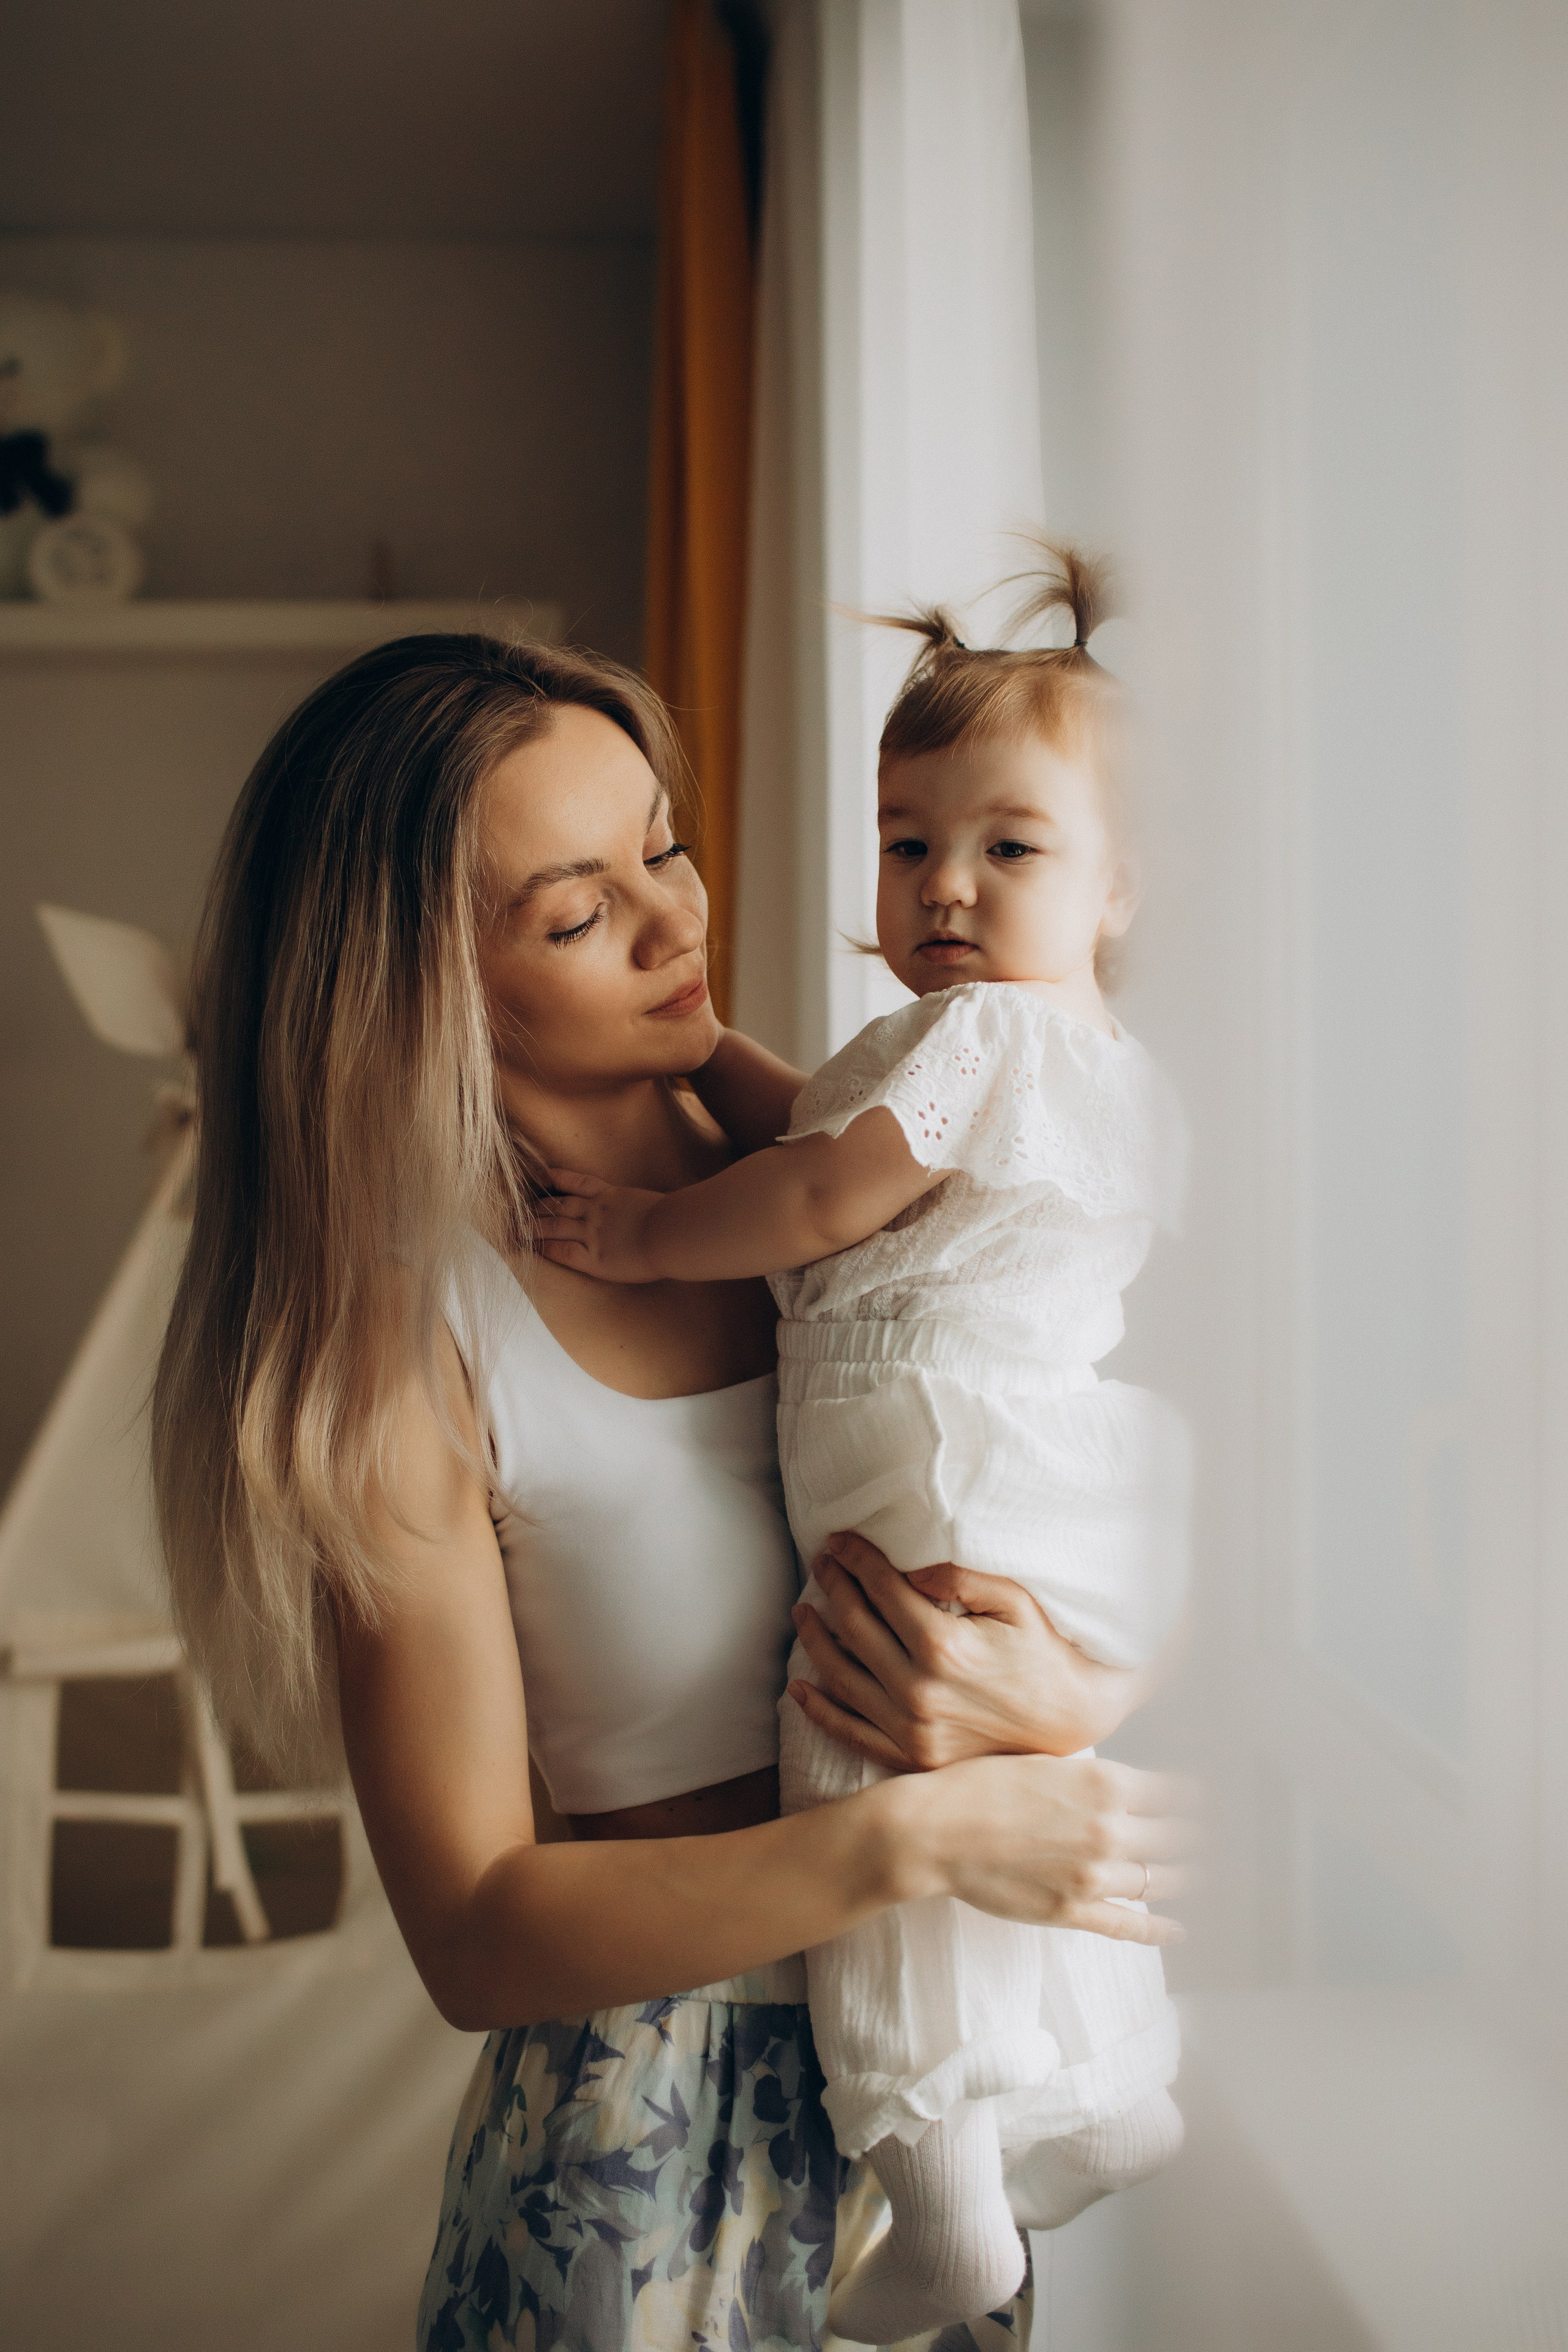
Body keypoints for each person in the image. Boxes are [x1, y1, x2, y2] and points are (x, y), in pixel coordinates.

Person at [151, 627, 1193, 2352]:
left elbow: (1085, 1463)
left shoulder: (831, 1175)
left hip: (970, 2055)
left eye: (664, 844)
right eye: (576, 912)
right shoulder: (406, 1346)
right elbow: (477, 1934)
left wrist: (1076, 1684)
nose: (675, 922)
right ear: (419, 987)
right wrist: (920, 1830)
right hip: (660, 2155)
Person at [539, 546, 1190, 2344]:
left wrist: (650, 1237)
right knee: (979, 1793)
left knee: (865, 1770)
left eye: (1012, 848)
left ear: (1120, 880)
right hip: (1034, 1461)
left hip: (932, 1453)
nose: (949, 888)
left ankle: (944, 2191)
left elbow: (822, 1184)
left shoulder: (984, 1038)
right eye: (910, 844)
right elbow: (822, 1119)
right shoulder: (1058, 1050)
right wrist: (703, 1054)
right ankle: (1109, 2079)